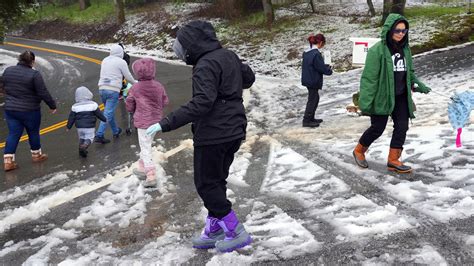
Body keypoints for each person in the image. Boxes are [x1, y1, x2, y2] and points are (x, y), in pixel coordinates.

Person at [146, 20, 255, 253]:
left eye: (182, 46)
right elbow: (248, 78)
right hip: (234, 129)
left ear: (192, 45)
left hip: (214, 133)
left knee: (206, 185)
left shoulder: (205, 64)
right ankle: (215, 227)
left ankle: (236, 231)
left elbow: (202, 103)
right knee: (216, 181)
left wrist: (166, 123)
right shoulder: (228, 55)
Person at [353, 13, 431, 174]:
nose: (401, 34)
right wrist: (365, 103)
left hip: (401, 96)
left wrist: (417, 84)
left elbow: (409, 72)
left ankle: (393, 160)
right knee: (378, 128)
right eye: (397, 30)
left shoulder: (405, 50)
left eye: (404, 31)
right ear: (389, 30)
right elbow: (369, 78)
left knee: (402, 126)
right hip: (382, 96)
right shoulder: (377, 51)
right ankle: (359, 150)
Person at [2, 50, 57, 171]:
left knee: (13, 133)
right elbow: (42, 92)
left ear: (19, 59)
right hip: (30, 110)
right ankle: (36, 155)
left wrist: (9, 95)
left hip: (11, 109)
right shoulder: (34, 74)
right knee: (33, 132)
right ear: (32, 61)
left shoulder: (8, 70)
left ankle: (8, 161)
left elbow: (2, 86)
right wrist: (52, 105)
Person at [125, 58, 169, 188]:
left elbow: (129, 103)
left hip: (143, 122)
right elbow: (165, 101)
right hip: (156, 121)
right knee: (146, 144)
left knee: (145, 146)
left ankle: (150, 174)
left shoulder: (135, 88)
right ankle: (142, 166)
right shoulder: (158, 86)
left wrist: (132, 109)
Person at [95, 44, 137, 144]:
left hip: (102, 88)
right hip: (113, 89)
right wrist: (136, 83)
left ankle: (115, 130)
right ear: (121, 52)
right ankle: (99, 134)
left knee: (108, 112)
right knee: (108, 113)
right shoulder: (121, 62)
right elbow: (128, 76)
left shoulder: (105, 60)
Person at [301, 33, 333, 128]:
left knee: (314, 98)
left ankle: (311, 118)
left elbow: (314, 66)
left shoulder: (307, 52)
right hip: (313, 80)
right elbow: (320, 67)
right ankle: (306, 120)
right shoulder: (316, 54)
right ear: (321, 42)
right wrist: (329, 70)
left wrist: (324, 67)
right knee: (313, 100)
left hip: (308, 78)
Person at [66, 86, 107, 158]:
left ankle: (80, 151)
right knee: (90, 138)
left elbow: (71, 117)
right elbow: (99, 114)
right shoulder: (93, 104)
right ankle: (84, 147)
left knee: (81, 138)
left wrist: (68, 127)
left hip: (79, 128)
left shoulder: (75, 106)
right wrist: (104, 119)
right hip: (89, 127)